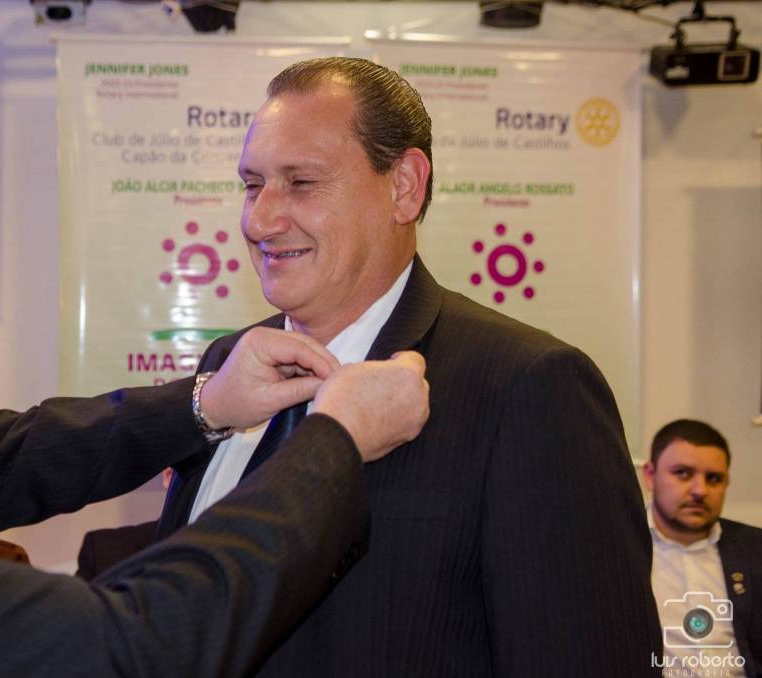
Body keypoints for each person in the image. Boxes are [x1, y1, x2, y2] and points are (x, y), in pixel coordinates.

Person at [0, 100, 432, 676]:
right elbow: (130, 644)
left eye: (302, 182)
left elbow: (13, 455)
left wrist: (205, 404)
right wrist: (334, 444)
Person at [157, 57, 662, 676]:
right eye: (252, 184)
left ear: (404, 187)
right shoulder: (224, 367)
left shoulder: (528, 386)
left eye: (301, 182)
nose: (259, 219)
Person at [642, 419, 761, 677]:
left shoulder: (755, 550)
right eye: (683, 473)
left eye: (714, 478)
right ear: (650, 476)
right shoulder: (623, 548)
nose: (700, 490)